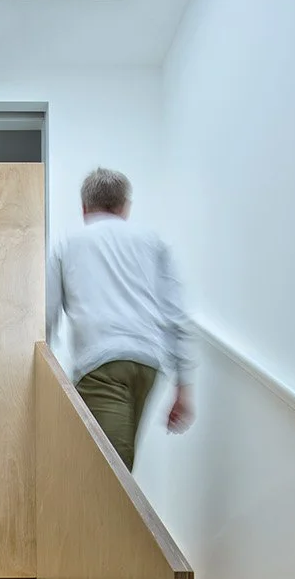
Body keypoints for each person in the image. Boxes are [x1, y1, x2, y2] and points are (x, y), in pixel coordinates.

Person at [46, 167, 194, 470]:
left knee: (107, 474)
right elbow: (174, 314)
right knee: (117, 465)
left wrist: (41, 377)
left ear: (84, 207)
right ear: (125, 207)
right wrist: (184, 385)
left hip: (100, 365)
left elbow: (46, 315)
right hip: (147, 365)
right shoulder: (152, 242)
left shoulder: (69, 243)